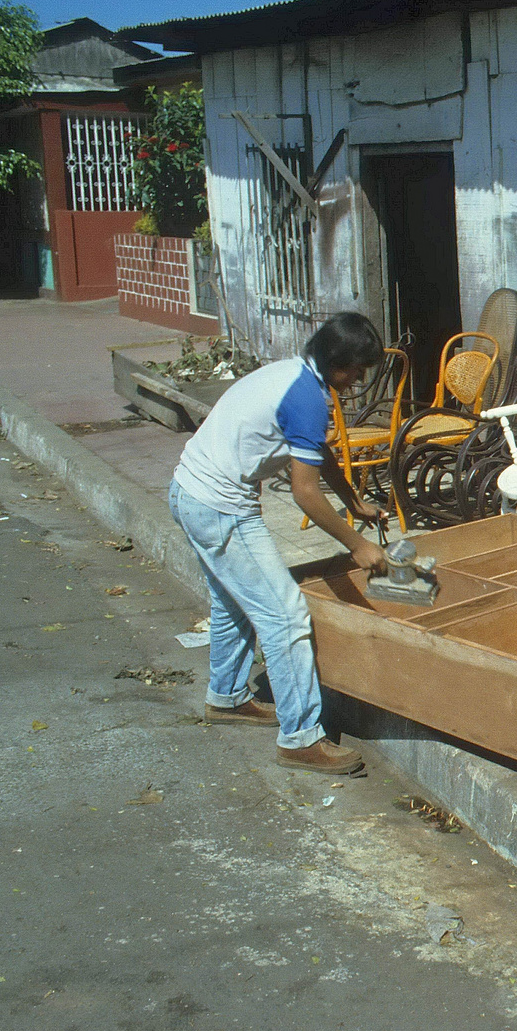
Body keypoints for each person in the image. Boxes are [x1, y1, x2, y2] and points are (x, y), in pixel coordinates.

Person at [168, 313, 390, 775]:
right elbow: (305, 492)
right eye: (356, 370)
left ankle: (226, 698)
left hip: (191, 490)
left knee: (232, 602)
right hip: (219, 506)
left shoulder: (293, 374)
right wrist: (358, 546)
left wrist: (355, 502)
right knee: (285, 614)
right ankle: (301, 738)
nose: (358, 381)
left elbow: (314, 453)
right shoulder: (308, 397)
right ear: (336, 362)